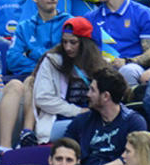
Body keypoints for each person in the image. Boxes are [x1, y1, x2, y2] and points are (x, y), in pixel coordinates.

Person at [25, 16, 106, 144]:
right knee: (87, 126)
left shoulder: (99, 64)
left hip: (93, 117)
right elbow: (43, 98)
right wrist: (78, 111)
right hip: (58, 120)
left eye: (73, 42)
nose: (68, 47)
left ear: (85, 43)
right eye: (64, 42)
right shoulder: (52, 61)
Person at [5, 0, 72, 78]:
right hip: (30, 77)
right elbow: (12, 60)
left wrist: (31, 53)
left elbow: (68, 58)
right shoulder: (24, 27)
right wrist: (42, 68)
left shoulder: (70, 23)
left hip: (61, 78)